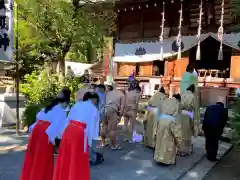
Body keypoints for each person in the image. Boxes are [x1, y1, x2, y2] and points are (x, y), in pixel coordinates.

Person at [20, 89, 71, 180]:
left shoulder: (49, 107)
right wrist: (56, 142)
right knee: (42, 159)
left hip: (36, 131)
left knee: (33, 157)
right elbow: (57, 128)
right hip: (45, 133)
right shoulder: (60, 110)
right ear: (66, 102)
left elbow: (38, 119)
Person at [53, 92, 100, 180]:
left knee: (65, 157)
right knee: (77, 159)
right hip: (80, 132)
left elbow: (67, 120)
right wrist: (89, 145)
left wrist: (60, 135)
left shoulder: (77, 105)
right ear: (95, 100)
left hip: (69, 129)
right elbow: (92, 130)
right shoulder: (94, 109)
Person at [154, 94, 183, 165]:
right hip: (171, 121)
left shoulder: (165, 100)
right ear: (178, 99)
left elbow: (159, 111)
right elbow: (178, 117)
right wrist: (180, 142)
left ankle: (158, 157)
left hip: (161, 120)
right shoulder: (178, 104)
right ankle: (166, 160)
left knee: (160, 139)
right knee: (169, 141)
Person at [101, 81, 125, 150]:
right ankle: (113, 146)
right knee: (112, 129)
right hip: (112, 110)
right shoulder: (122, 95)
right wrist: (120, 116)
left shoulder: (107, 93)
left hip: (105, 109)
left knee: (104, 126)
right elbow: (122, 107)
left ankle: (103, 143)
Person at [180, 62, 200, 137]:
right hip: (190, 103)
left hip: (182, 102)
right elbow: (195, 88)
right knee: (189, 126)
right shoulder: (192, 76)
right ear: (192, 69)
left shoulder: (183, 75)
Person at [178, 84, 195, 156]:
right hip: (188, 114)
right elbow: (194, 107)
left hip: (180, 114)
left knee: (179, 132)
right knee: (187, 133)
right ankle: (184, 151)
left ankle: (178, 149)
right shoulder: (192, 96)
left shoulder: (182, 94)